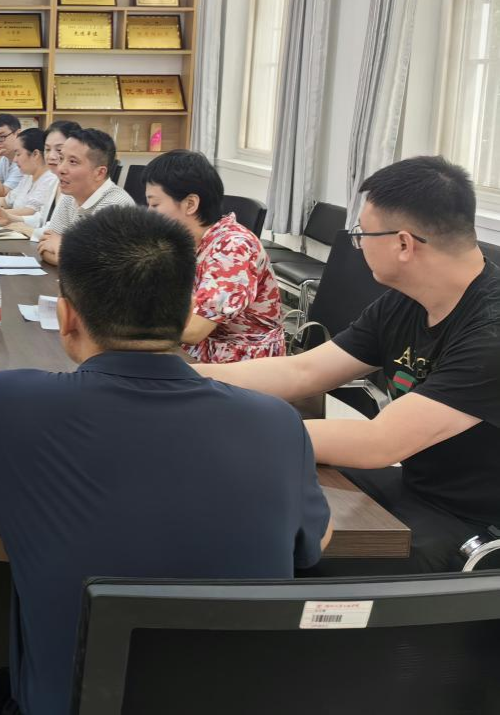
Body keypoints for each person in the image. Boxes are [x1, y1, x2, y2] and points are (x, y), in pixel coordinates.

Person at [0, 206, 331, 715]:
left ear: (67, 317)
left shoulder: (8, 403)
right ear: (187, 312)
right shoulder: (278, 423)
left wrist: (40, 543)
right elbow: (310, 543)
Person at [199, 156, 500, 574]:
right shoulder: (406, 302)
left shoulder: (490, 330)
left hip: (471, 522)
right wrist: (184, 378)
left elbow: (380, 443)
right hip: (415, 484)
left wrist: (231, 434)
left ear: (403, 244)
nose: (357, 246)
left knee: (279, 543)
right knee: (252, 496)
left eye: (361, 234)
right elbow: (303, 372)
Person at [144, 149, 285, 362]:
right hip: (198, 350)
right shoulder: (184, 241)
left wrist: (121, 321)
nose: (149, 213)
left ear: (190, 204)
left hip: (240, 362)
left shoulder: (233, 248)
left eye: (155, 204)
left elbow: (193, 330)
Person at [36, 128, 134, 266]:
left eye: (73, 162)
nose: (60, 169)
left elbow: (96, 267)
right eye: (61, 159)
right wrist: (71, 254)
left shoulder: (115, 206)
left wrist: (63, 248)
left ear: (99, 173)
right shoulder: (70, 196)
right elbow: (45, 246)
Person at [0, 121, 79, 238]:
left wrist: (31, 231)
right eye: (47, 149)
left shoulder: (63, 183)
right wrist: (11, 218)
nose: (51, 156)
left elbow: (64, 234)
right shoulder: (56, 181)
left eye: (59, 150)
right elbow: (42, 218)